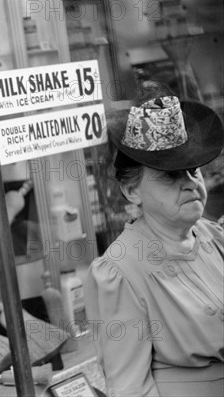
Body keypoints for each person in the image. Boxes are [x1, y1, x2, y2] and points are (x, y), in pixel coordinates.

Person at [84, 89, 224, 396]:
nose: (189, 183)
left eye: (193, 170)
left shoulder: (214, 237)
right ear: (132, 191)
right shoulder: (119, 272)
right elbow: (130, 387)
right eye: (170, 176)